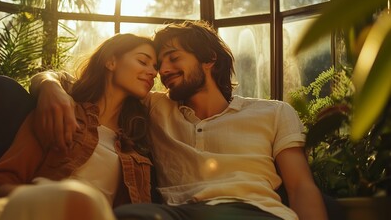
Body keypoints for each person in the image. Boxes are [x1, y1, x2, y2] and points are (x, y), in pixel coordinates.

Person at [29, 21, 328, 220]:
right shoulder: (155, 107)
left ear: (209, 59)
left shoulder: (274, 112)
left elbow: (301, 186)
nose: (163, 71)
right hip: (176, 213)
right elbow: (74, 81)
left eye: (174, 58)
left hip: (252, 211)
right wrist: (49, 88)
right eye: (159, 65)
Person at [0, 33, 158, 220]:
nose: (153, 72)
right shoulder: (62, 112)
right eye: (143, 61)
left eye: (155, 67)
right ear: (111, 62)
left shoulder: (136, 144)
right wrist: (58, 201)